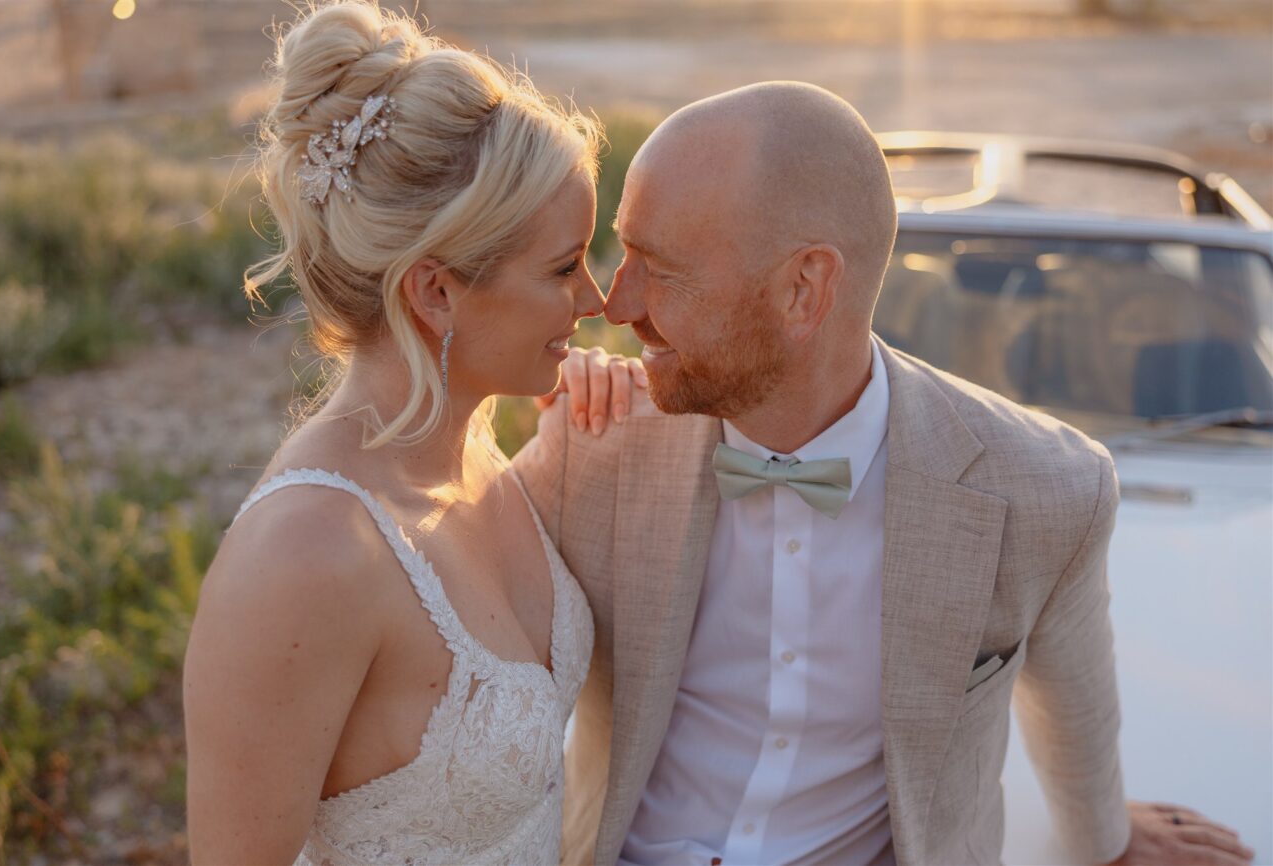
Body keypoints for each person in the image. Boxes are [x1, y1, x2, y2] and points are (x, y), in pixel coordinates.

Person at [516, 82, 1256, 865]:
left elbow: (1074, 706)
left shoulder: (1045, 489)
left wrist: (1107, 840)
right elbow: (436, 592)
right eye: (621, 250)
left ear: (805, 289)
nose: (613, 301)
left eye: (660, 269)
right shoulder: (596, 439)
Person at [180, 3, 641, 863]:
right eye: (560, 268)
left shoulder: (480, 449)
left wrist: (598, 428)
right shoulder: (303, 556)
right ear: (436, 293)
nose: (596, 301)